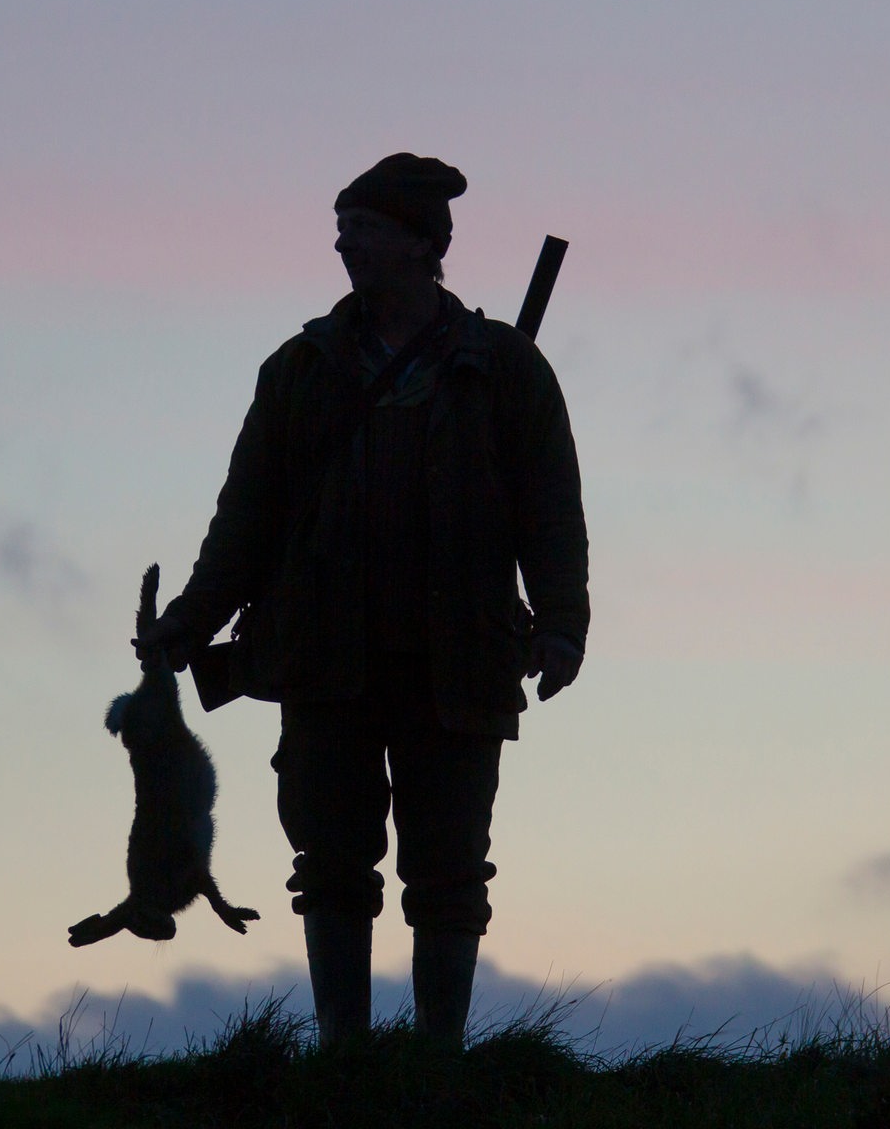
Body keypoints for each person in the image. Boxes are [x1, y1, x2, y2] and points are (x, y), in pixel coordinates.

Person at [134, 153, 589, 1049]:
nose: (346, 245)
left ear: (423, 244)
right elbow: (248, 516)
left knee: (451, 868)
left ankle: (436, 1060)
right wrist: (188, 621)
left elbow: (550, 511)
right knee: (331, 860)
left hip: (459, 658)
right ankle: (346, 1054)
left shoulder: (505, 370)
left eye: (367, 229)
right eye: (342, 229)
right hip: (323, 658)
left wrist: (564, 625)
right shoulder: (298, 370)